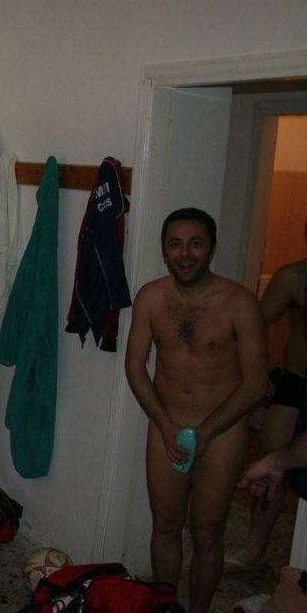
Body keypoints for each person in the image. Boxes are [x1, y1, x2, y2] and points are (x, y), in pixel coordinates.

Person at [125, 207, 269, 613]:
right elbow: (135, 365)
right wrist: (165, 423)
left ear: (211, 248)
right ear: (164, 251)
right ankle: (166, 606)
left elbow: (256, 381)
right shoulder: (151, 298)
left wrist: (205, 432)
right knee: (165, 524)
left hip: (222, 430)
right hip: (166, 425)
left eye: (195, 243)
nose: (185, 253)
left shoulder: (239, 303)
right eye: (175, 244)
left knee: (207, 530)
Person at [226, 253, 307, 571]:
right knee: (274, 457)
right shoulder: (293, 277)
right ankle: (254, 548)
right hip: (297, 380)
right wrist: (258, 371)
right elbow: (254, 325)